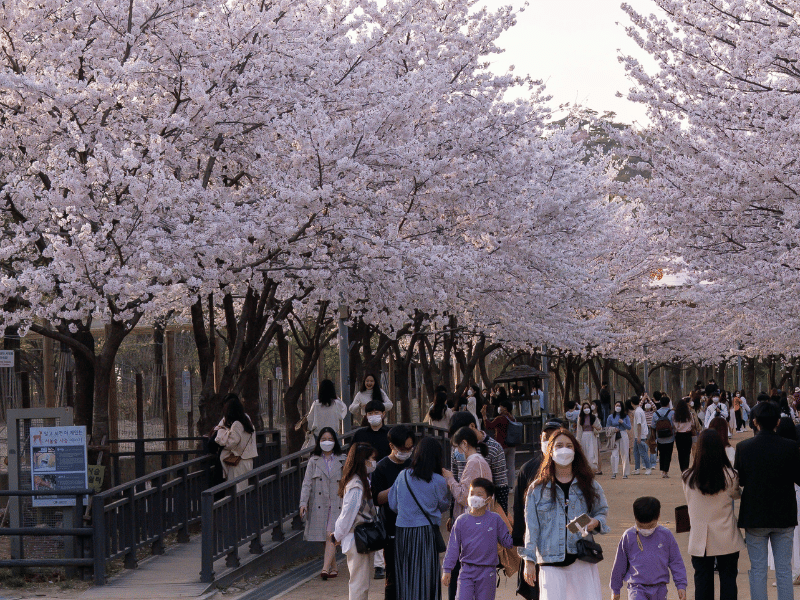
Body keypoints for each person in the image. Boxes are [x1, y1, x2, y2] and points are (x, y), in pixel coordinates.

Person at [520, 428, 609, 600]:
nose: (564, 450)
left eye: (569, 446)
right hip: (550, 562)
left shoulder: (589, 485)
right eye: (559, 445)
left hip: (582, 560)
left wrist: (595, 522)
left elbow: (601, 512)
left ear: (575, 451)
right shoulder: (537, 489)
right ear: (550, 450)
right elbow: (531, 527)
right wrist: (529, 560)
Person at [734, 400, 800, 600]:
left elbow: (741, 480)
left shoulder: (743, 447)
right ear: (778, 422)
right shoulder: (791, 447)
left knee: (758, 569)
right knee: (783, 570)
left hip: (755, 515)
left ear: (755, 422)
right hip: (784, 514)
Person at [682, 429, 744, 600]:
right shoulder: (731, 475)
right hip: (727, 536)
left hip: (700, 538)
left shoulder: (687, 477)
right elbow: (736, 495)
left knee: (702, 582)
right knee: (729, 581)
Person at [389, 436, 451, 600]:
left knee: (406, 575)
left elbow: (393, 504)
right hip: (425, 533)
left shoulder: (402, 476)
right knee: (426, 575)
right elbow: (444, 505)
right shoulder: (438, 480)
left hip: (402, 531)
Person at [442, 478, 513, 600]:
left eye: (479, 494)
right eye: (471, 493)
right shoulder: (461, 521)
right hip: (466, 571)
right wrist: (447, 569)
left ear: (488, 499)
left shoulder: (495, 519)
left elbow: (507, 542)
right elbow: (452, 547)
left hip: (488, 573)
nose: (474, 497)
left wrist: (520, 533)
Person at [443, 426, 493, 600]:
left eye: (457, 447)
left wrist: (450, 478)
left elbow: (463, 496)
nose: (456, 452)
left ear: (464, 444)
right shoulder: (480, 462)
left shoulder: (473, 463)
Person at [610, 496, 687, 600]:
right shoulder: (628, 536)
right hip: (636, 588)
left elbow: (676, 561)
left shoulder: (666, 535)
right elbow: (619, 564)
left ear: (658, 516)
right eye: (641, 526)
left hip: (660, 588)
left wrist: (681, 585)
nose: (646, 530)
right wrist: (615, 589)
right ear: (635, 518)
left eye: (650, 526)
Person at [372, 425, 415, 598]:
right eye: (403, 449)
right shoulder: (381, 467)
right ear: (392, 446)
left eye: (410, 448)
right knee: (393, 577)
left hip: (414, 527)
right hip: (392, 528)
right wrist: (397, 486)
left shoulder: (414, 464)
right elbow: (377, 498)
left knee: (412, 574)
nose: (407, 452)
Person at [332, 442, 378, 600]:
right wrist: (337, 535)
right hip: (356, 537)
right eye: (371, 459)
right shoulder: (357, 485)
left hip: (356, 537)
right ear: (362, 460)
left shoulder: (358, 482)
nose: (373, 463)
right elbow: (348, 514)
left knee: (360, 583)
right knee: (359, 584)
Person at [300, 428, 345, 579]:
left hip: (337, 502)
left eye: (330, 439)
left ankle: (325, 569)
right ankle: (334, 567)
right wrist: (303, 503)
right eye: (324, 438)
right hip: (319, 503)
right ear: (319, 442)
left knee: (329, 534)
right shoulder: (313, 461)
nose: (327, 442)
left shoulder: (342, 460)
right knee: (325, 537)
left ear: (335, 441)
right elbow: (306, 483)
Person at [448, 412, 509, 512]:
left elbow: (501, 486)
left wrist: (502, 516)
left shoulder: (495, 448)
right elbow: (455, 479)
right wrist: (451, 513)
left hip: (483, 510)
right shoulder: (456, 448)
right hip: (462, 511)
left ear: (472, 426)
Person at [214, 394, 258, 492]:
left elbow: (231, 443)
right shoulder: (247, 420)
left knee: (237, 490)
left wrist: (223, 436)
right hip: (248, 459)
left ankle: (238, 507)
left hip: (238, 462)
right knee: (244, 488)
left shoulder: (236, 424)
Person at [481, 399, 517, 490]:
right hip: (512, 445)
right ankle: (511, 486)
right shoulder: (513, 418)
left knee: (499, 466)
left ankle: (501, 485)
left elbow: (489, 426)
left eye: (501, 406)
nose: (499, 408)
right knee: (511, 466)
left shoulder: (500, 418)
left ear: (505, 408)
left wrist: (484, 416)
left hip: (501, 445)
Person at [606, 400, 631, 479]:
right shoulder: (610, 417)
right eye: (616, 405)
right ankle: (614, 472)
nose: (618, 407)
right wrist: (613, 429)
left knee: (625, 453)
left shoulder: (625, 416)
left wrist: (623, 422)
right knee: (614, 454)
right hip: (614, 435)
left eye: (619, 406)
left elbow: (629, 427)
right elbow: (607, 427)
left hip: (623, 434)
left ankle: (625, 473)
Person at [653, 395, 675, 478]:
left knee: (661, 454)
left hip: (660, 437)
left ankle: (662, 471)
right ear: (668, 403)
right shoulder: (672, 413)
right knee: (668, 454)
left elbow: (653, 425)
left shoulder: (656, 413)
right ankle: (666, 471)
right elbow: (673, 424)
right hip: (670, 437)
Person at [577, 401, 602, 473]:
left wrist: (594, 427)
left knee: (592, 454)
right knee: (585, 453)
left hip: (592, 436)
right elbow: (579, 431)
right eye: (584, 408)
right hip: (584, 437)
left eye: (587, 407)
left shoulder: (594, 417)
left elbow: (599, 428)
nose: (586, 409)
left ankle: (592, 469)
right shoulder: (580, 418)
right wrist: (578, 441)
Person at [672, 398, 696, 472]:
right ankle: (686, 468)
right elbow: (693, 424)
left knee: (680, 453)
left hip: (679, 436)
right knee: (687, 453)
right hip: (687, 435)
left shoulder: (675, 416)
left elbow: (675, 426)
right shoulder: (689, 415)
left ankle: (682, 469)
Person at [631, 395, 652, 475]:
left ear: (632, 403)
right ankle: (637, 468)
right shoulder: (639, 410)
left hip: (640, 435)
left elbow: (639, 424)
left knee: (643, 452)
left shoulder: (637, 412)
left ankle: (648, 468)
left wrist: (639, 436)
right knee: (636, 452)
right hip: (638, 435)